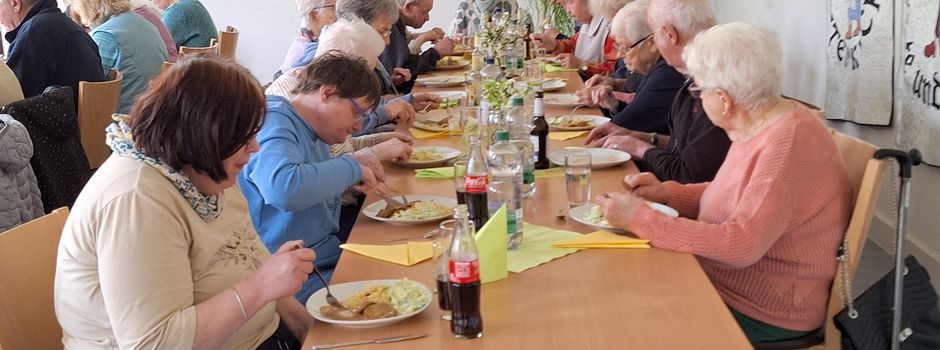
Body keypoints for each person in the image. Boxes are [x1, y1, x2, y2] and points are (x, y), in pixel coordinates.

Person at [596, 22, 854, 343]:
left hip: (763, 308)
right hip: (725, 281)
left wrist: (641, 218)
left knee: (620, 317)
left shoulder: (786, 143)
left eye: (698, 90)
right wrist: (669, 194)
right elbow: (733, 192)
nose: (698, 98)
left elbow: (740, 245)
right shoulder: (760, 120)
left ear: (723, 99)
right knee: (617, 283)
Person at [55, 56, 316, 350]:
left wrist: (306, 328)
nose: (254, 147)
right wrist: (261, 286)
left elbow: (252, 262)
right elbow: (154, 344)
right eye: (243, 137)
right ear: (204, 135)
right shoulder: (137, 200)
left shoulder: (205, 171)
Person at [238, 52, 388, 304]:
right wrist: (351, 168)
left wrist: (349, 178)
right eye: (357, 113)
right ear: (326, 94)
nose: (358, 126)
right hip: (291, 277)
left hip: (322, 257)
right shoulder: (275, 119)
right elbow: (283, 189)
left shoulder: (313, 130)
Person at [585, 0, 730, 184]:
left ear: (669, 34)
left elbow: (688, 177)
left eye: (654, 34)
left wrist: (640, 148)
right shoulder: (693, 76)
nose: (654, 42)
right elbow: (681, 147)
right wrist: (643, 138)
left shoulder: (710, 85)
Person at [577, 0, 683, 135]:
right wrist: (613, 105)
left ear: (652, 42)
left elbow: (620, 125)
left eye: (625, 48)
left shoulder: (667, 73)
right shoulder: (652, 67)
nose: (620, 55)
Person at [71, 0, 169, 114]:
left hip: (126, 116)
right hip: (153, 108)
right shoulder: (140, 21)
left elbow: (89, 88)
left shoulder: (105, 35)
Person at [0, 0, 104, 103]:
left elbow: (11, 98)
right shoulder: (66, 24)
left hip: (66, 112)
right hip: (93, 111)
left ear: (15, 3)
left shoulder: (34, 33)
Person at [379, 0, 454, 93]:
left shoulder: (397, 22)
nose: (427, 18)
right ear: (408, 7)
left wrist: (426, 36)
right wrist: (435, 53)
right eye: (425, 12)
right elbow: (407, 69)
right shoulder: (391, 24)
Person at [530, 0, 615, 76]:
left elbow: (614, 74)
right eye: (563, 4)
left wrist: (582, 65)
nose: (567, 10)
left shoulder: (612, 28)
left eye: (570, 2)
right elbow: (573, 46)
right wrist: (554, 44)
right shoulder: (587, 23)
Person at [274, 0, 336, 80]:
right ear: (314, 16)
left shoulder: (307, 41)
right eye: (334, 8)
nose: (339, 13)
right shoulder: (310, 53)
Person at [152, 0, 218, 48]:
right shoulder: (192, 3)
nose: (152, 2)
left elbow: (158, 47)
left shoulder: (177, 10)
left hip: (192, 62)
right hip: (204, 61)